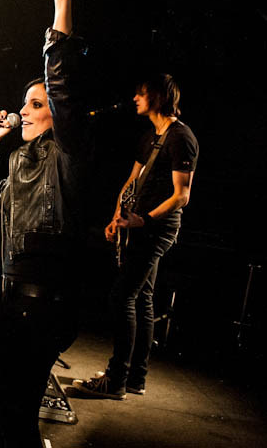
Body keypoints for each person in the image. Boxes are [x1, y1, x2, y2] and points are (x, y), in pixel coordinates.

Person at [0, 0, 89, 447]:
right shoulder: (20, 161)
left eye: (35, 105)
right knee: (0, 405)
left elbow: (63, 86)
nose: (24, 110)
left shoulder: (66, 153)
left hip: (43, 301)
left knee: (15, 414)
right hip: (12, 297)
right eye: (24, 102)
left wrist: (60, 4)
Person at [74, 74, 198, 399]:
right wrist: (117, 217)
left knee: (122, 297)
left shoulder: (181, 138)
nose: (135, 99)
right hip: (136, 227)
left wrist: (143, 220)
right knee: (142, 300)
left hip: (156, 231)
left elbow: (181, 196)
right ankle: (135, 378)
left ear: (157, 97)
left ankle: (116, 380)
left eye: (141, 93)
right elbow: (132, 180)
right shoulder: (150, 137)